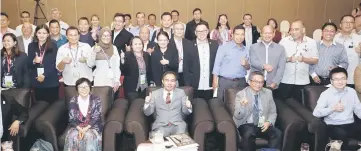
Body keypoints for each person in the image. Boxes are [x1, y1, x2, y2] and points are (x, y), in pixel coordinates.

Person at [313, 67, 361, 149]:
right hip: (333, 125)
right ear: (331, 81)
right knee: (341, 134)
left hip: (351, 124)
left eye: (343, 78)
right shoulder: (326, 94)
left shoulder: (351, 92)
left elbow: (358, 110)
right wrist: (332, 108)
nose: (340, 82)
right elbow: (316, 113)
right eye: (336, 79)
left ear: (347, 79)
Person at [233, 71, 282, 151]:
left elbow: (273, 112)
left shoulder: (268, 93)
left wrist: (269, 122)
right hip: (246, 124)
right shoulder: (241, 94)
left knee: (277, 133)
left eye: (261, 82)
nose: (259, 84)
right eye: (256, 82)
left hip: (262, 124)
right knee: (249, 133)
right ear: (249, 82)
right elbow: (238, 116)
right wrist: (242, 106)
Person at [276, 20, 318, 101]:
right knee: (283, 107)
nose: (293, 32)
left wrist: (304, 59)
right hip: (285, 80)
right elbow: (276, 59)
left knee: (300, 109)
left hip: (302, 81)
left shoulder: (311, 42)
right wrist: (288, 59)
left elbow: (315, 60)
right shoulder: (284, 41)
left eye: (296, 29)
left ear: (303, 30)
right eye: (292, 29)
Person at [143, 71, 192, 137]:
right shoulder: (154, 93)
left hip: (178, 125)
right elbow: (148, 113)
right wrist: (147, 103)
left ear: (175, 82)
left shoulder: (181, 93)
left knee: (180, 141)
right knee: (158, 142)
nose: (169, 83)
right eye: (167, 80)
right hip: (160, 126)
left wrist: (188, 107)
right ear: (162, 81)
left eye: (172, 81)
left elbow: (186, 112)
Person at [213, 25, 250, 102]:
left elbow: (248, 67)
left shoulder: (246, 49)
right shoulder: (224, 47)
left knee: (239, 105)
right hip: (225, 82)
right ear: (232, 35)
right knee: (221, 106)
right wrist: (214, 81)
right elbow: (217, 64)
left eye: (242, 34)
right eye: (237, 34)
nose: (240, 37)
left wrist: (246, 64)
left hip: (241, 82)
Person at [64, 78, 102, 151]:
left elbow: (96, 117)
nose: (83, 89)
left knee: (89, 136)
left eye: (86, 86)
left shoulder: (96, 99)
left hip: (92, 126)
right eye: (81, 87)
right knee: (73, 136)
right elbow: (72, 119)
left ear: (90, 88)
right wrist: (80, 129)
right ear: (77, 89)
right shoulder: (73, 100)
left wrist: (85, 129)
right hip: (77, 127)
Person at [184, 22, 218, 101]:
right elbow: (186, 67)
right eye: (199, 31)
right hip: (195, 85)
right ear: (195, 33)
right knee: (196, 109)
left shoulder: (215, 44)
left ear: (207, 31)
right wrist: (188, 85)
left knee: (211, 108)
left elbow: (218, 64)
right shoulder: (189, 45)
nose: (201, 33)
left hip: (210, 85)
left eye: (204, 31)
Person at [28, 24, 59, 103]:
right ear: (36, 33)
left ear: (48, 34)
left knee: (52, 108)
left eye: (44, 33)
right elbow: (29, 64)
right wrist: (34, 61)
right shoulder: (31, 46)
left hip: (50, 81)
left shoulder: (53, 45)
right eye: (39, 33)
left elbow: (54, 64)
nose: (41, 35)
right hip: (37, 81)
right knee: (39, 107)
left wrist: (44, 75)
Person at [249, 25, 286, 90]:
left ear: (273, 34)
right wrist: (264, 66)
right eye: (265, 33)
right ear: (261, 34)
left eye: (270, 33)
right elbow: (253, 62)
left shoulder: (280, 48)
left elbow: (281, 68)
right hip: (255, 83)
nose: (267, 35)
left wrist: (275, 83)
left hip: (272, 84)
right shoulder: (253, 47)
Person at [334, 15, 361, 88]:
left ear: (354, 25)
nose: (348, 24)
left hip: (353, 79)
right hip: (335, 79)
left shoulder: (359, 39)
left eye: (351, 22)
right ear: (340, 25)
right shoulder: (334, 38)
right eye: (346, 22)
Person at [121, 37, 151, 101]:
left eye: (140, 44)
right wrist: (122, 60)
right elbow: (124, 72)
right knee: (133, 108)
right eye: (135, 44)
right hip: (131, 88)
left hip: (144, 87)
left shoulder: (146, 55)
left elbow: (149, 70)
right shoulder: (127, 55)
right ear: (131, 45)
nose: (138, 46)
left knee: (142, 106)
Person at [93, 27, 121, 92]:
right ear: (100, 36)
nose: (106, 37)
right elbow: (90, 64)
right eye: (104, 35)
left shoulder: (114, 48)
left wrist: (117, 80)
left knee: (111, 101)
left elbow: (117, 65)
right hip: (100, 80)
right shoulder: (95, 48)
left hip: (112, 81)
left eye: (108, 35)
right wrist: (94, 52)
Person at [169, 22, 193, 87]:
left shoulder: (189, 43)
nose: (179, 31)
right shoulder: (167, 43)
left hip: (185, 76)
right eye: (177, 29)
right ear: (173, 31)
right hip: (171, 75)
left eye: (181, 29)